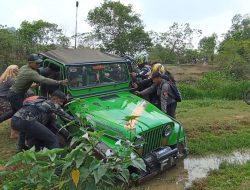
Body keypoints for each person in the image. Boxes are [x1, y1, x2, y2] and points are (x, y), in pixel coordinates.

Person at [0, 65, 19, 138]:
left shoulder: (4, 78)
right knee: (15, 113)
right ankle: (14, 134)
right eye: (17, 69)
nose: (18, 71)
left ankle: (14, 133)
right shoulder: (11, 79)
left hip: (2, 100)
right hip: (4, 101)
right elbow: (20, 86)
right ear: (14, 71)